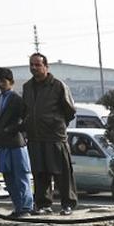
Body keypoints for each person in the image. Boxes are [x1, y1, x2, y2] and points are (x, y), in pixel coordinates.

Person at [22, 53, 77, 215]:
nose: (34, 68)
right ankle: (43, 204)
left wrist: (56, 123)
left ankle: (68, 204)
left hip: (55, 137)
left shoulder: (58, 86)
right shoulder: (27, 87)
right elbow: (25, 110)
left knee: (62, 173)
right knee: (40, 173)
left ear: (46, 66)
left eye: (37, 65)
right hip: (35, 137)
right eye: (31, 65)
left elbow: (70, 111)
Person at [0, 67, 34, 217]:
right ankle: (17, 207)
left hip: (16, 143)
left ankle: (26, 208)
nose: (0, 84)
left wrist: (14, 129)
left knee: (21, 176)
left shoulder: (17, 99)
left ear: (11, 82)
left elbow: (27, 119)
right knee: (8, 178)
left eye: (3, 81)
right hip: (3, 145)